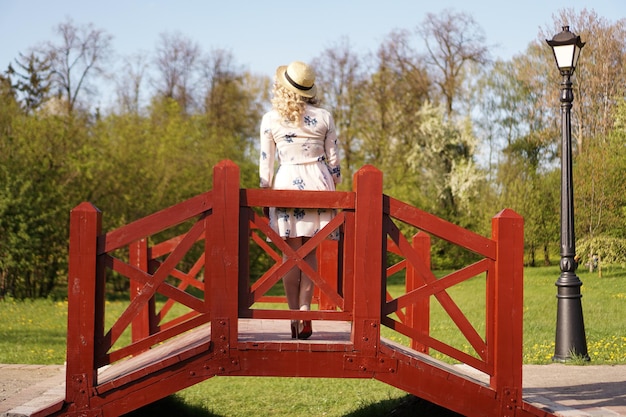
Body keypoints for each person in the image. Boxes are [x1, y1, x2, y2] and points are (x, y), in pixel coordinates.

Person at [259, 61, 341, 339]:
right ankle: (306, 309)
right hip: (319, 185)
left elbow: (265, 166)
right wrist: (332, 181)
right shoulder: (325, 117)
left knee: (289, 256)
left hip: (285, 186)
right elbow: (335, 166)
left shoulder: (270, 119)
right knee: (310, 255)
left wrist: (264, 191)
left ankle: (293, 317)